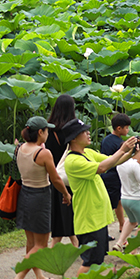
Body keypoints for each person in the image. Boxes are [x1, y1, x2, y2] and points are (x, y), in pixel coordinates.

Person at [61, 118, 138, 274]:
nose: (89, 133)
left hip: (98, 216)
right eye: (84, 132)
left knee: (99, 259)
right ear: (74, 138)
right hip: (88, 218)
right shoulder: (73, 161)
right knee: (91, 261)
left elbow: (113, 162)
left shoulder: (88, 152)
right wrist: (123, 148)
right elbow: (103, 167)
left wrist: (132, 152)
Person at [9, 116, 70, 279]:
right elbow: (56, 179)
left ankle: (39, 277)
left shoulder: (19, 147)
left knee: (31, 242)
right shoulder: (43, 153)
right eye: (47, 130)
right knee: (41, 245)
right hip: (40, 197)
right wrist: (66, 194)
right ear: (40, 132)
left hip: (25, 196)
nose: (48, 133)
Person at [46, 94, 78, 248]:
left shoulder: (48, 130)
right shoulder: (72, 130)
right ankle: (77, 245)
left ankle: (55, 246)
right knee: (71, 211)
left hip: (54, 175)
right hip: (70, 174)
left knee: (58, 212)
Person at [100, 113, 131, 236]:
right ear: (119, 128)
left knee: (118, 201)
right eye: (127, 127)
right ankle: (103, 230)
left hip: (115, 176)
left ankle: (122, 224)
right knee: (109, 204)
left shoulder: (109, 140)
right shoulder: (117, 144)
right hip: (111, 176)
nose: (128, 130)